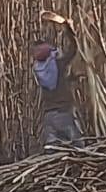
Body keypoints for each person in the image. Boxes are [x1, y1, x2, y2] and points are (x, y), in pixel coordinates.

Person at [32, 10, 82, 149]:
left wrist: (71, 79)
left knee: (52, 150)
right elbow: (73, 50)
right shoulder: (58, 64)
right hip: (64, 113)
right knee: (78, 147)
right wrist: (69, 29)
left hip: (49, 116)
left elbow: (55, 84)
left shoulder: (38, 69)